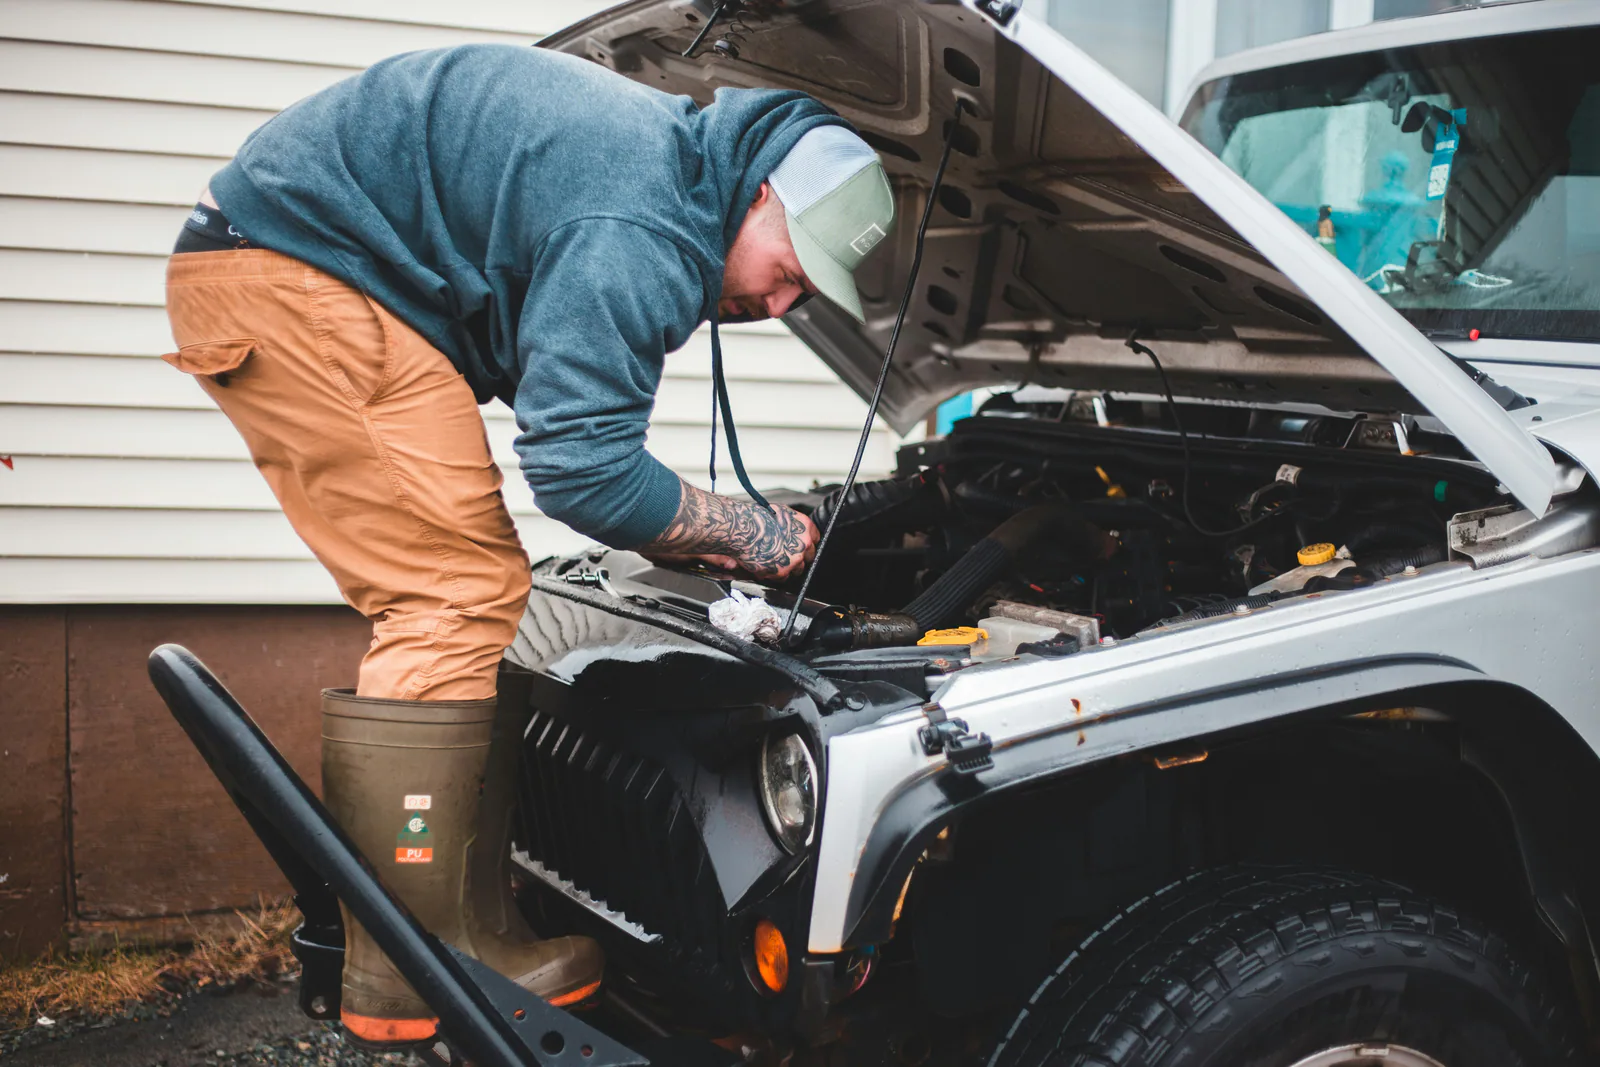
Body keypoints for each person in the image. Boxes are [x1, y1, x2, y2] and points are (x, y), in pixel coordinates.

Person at [161, 43, 895, 1048]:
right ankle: (417, 959)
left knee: (457, 585)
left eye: (806, 295)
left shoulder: (665, 178)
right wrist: (756, 535)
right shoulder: (644, 218)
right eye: (789, 271)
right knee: (451, 592)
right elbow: (582, 471)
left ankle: (455, 918)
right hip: (301, 277)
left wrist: (700, 530)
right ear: (762, 195)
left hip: (275, 262)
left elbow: (571, 422)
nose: (779, 306)